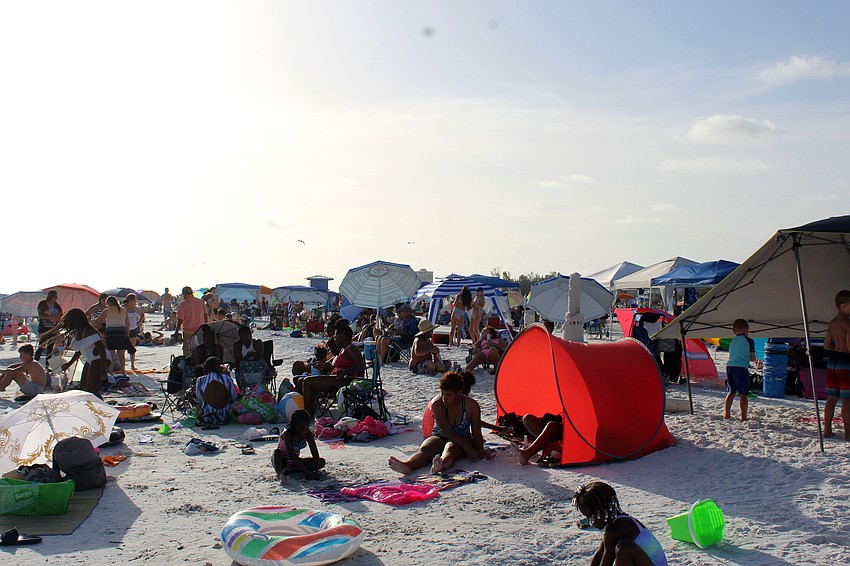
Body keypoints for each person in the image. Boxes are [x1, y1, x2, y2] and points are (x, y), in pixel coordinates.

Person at [388, 372, 484, 475]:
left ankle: (441, 464)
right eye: (442, 393)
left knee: (450, 449)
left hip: (463, 437)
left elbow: (476, 431)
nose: (444, 398)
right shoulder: (437, 404)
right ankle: (407, 465)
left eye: (448, 395)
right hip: (441, 435)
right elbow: (447, 431)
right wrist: (469, 449)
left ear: (459, 394)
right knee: (425, 449)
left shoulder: (472, 406)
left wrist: (479, 450)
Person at [573, 481, 668, 566]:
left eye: (591, 517)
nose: (590, 523)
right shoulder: (617, 521)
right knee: (622, 546)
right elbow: (599, 554)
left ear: (602, 511)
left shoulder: (617, 528)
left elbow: (606, 562)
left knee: (624, 547)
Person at [300, 325, 365, 416]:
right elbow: (338, 367)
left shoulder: (351, 348)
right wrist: (324, 367)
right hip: (338, 378)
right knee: (300, 380)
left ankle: (307, 415)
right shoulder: (343, 349)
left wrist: (344, 371)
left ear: (343, 336)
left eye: (335, 336)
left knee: (307, 381)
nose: (334, 339)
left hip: (346, 381)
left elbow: (361, 365)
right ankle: (311, 408)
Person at [45, 309, 107, 396]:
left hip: (100, 359)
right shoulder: (78, 332)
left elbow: (102, 349)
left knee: (92, 389)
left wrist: (103, 369)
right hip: (92, 360)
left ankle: (102, 408)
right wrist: (69, 364)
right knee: (84, 387)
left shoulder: (89, 332)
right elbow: (79, 351)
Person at [272, 408, 325, 484]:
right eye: (301, 429)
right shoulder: (287, 433)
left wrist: (316, 471)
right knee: (277, 453)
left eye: (306, 428)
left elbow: (314, 452)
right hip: (283, 461)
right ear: (294, 426)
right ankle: (280, 474)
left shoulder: (307, 432)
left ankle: (291, 470)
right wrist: (306, 473)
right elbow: (292, 455)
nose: (304, 431)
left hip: (295, 462)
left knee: (321, 462)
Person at [823, 290, 850, 439]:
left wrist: (836, 348)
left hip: (833, 361)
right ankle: (848, 433)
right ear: (843, 306)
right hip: (846, 361)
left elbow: (826, 345)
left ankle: (827, 429)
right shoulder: (848, 324)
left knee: (832, 398)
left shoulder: (832, 323)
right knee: (847, 399)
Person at [724, 318, 755, 421]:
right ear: (747, 329)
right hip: (741, 368)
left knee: (731, 392)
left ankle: (726, 414)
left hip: (730, 367)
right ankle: (743, 417)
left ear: (734, 331)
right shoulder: (749, 341)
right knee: (743, 394)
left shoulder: (732, 341)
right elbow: (752, 357)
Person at [194, 356, 239, 427]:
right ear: (218, 367)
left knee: (198, 406)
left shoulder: (200, 380)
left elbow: (201, 400)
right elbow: (234, 397)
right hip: (225, 416)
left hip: (207, 415)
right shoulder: (226, 378)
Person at [95, 296, 134, 374]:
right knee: (121, 355)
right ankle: (123, 371)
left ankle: (110, 371)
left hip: (111, 334)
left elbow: (98, 321)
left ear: (109, 303)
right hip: (122, 334)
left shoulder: (107, 310)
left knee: (111, 354)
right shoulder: (123, 310)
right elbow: (127, 324)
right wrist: (127, 334)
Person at [175, 286, 207, 358]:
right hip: (200, 330)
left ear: (184, 294)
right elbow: (205, 315)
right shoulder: (201, 302)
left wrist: (176, 331)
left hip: (188, 331)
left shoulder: (183, 304)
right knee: (199, 349)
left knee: (188, 351)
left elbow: (180, 319)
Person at [34, 289, 63, 369]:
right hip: (43, 328)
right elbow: (40, 315)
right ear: (51, 297)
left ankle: (47, 365)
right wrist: (49, 317)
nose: (56, 298)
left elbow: (61, 315)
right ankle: (35, 362)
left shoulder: (57, 306)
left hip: (53, 329)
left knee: (50, 348)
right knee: (41, 346)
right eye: (55, 297)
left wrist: (56, 318)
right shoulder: (42, 304)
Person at [124, 294, 145, 371]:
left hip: (134, 329)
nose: (135, 302)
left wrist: (139, 322)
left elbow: (142, 315)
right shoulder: (123, 308)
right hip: (125, 329)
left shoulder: (135, 308)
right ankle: (123, 365)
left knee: (132, 348)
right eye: (134, 301)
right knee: (123, 348)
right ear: (130, 301)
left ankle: (132, 365)